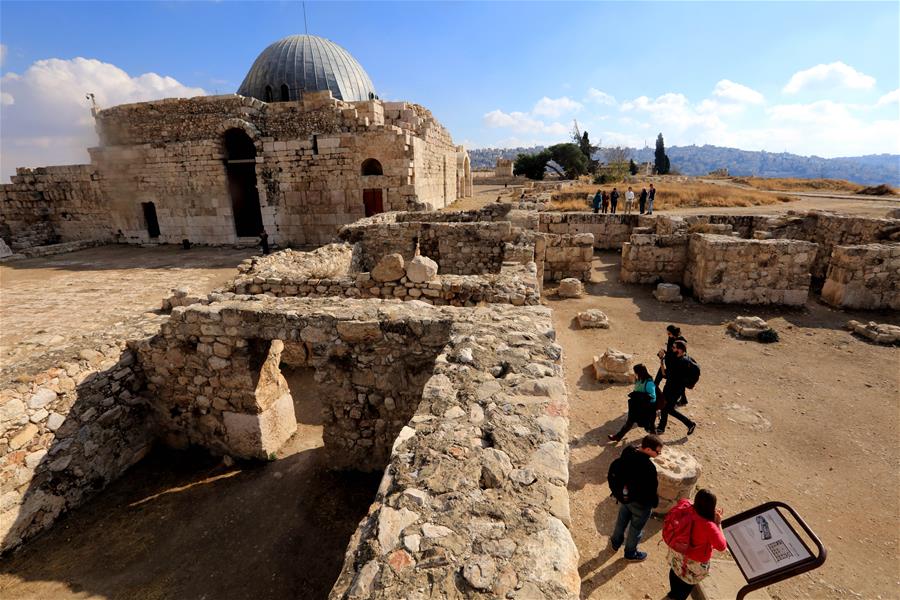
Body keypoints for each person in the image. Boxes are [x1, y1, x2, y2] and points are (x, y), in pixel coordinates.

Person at [665, 489, 727, 600]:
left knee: (675, 570)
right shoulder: (709, 526)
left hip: (678, 550)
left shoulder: (685, 507)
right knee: (687, 584)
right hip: (695, 561)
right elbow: (722, 546)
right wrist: (718, 523)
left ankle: (672, 594)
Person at [609, 434, 662, 561]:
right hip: (640, 504)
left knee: (621, 521)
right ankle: (630, 553)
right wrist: (654, 503)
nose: (659, 454)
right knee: (636, 528)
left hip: (625, 497)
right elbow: (651, 490)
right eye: (658, 452)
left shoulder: (628, 451)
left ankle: (615, 543)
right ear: (648, 450)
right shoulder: (649, 468)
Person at [657, 340, 697, 435]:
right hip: (671, 387)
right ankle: (661, 427)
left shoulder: (681, 363)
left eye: (674, 347)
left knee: (668, 409)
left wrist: (661, 361)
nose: (672, 349)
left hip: (674, 390)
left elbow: (664, 374)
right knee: (664, 406)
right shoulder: (680, 358)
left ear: (679, 350)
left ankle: (690, 424)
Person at [609, 364, 656, 442]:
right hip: (636, 406)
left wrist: (639, 396)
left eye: (635, 372)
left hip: (645, 408)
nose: (634, 373)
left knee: (650, 426)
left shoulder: (649, 383)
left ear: (640, 372)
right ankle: (618, 437)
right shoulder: (639, 379)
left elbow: (653, 397)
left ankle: (654, 441)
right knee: (629, 422)